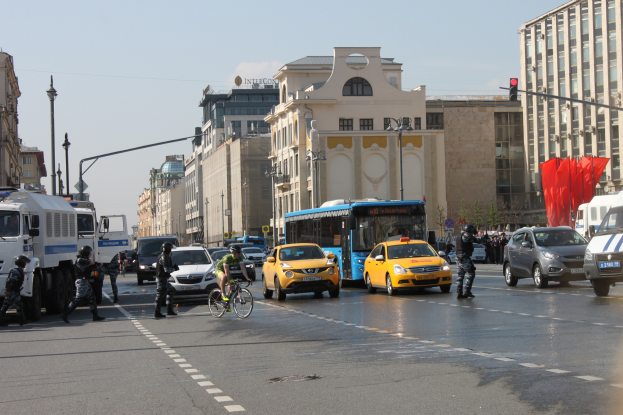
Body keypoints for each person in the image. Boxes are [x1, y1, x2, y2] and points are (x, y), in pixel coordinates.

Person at [61, 246, 105, 323]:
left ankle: (95, 316)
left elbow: (93, 266)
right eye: (89, 252)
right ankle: (65, 313)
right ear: (85, 253)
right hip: (81, 282)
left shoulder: (84, 259)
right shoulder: (80, 259)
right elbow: (89, 263)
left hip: (85, 282)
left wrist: (96, 264)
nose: (90, 254)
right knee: (78, 299)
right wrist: (91, 263)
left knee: (92, 298)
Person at [455, 224, 487, 300]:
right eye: (472, 232)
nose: (472, 233)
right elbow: (475, 240)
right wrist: (482, 238)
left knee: (460, 275)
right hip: (464, 257)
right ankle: (467, 291)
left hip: (458, 257)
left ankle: (459, 293)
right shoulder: (466, 235)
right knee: (471, 272)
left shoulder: (459, 235)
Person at [0, 255, 30, 327]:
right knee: (6, 307)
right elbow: (9, 282)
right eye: (25, 262)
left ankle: (22, 321)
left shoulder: (20, 271)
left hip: (15, 291)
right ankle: (21, 321)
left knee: (17, 306)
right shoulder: (15, 271)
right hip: (12, 292)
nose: (26, 264)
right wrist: (9, 291)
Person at [155, 242, 178, 318]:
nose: (171, 251)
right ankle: (157, 312)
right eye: (170, 249)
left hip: (164, 279)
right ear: (167, 249)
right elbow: (166, 269)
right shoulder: (164, 257)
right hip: (161, 279)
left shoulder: (165, 256)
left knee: (171, 290)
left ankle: (169, 310)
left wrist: (173, 267)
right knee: (159, 295)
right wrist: (174, 269)